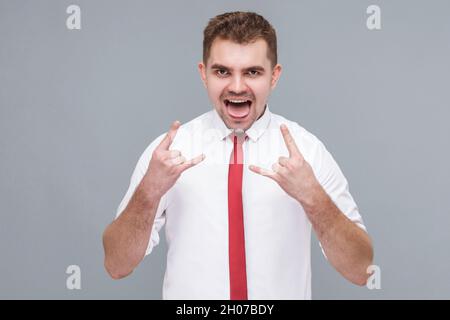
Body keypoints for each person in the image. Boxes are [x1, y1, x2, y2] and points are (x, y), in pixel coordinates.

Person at [102, 11, 373, 300]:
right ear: (203, 73)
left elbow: (360, 270)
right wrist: (148, 192)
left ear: (274, 76)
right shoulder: (168, 152)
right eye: (222, 71)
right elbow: (117, 265)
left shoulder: (307, 151)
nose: (237, 86)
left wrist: (315, 198)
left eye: (252, 72)